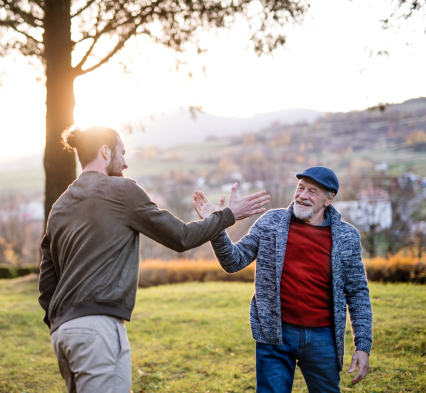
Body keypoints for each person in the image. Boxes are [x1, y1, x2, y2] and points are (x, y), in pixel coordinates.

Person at [38, 125, 270, 393]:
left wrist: (57, 322)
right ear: (104, 151)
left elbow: (47, 279)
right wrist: (227, 215)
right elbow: (181, 237)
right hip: (97, 328)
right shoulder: (122, 191)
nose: (125, 162)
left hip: (63, 332)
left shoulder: (60, 205)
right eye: (122, 153)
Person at [193, 167, 372, 393]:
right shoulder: (271, 222)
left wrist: (363, 344)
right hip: (274, 336)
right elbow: (233, 261)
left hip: (323, 338)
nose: (302, 195)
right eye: (300, 188)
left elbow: (357, 293)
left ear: (330, 198)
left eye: (312, 191)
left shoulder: (347, 237)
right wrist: (216, 224)